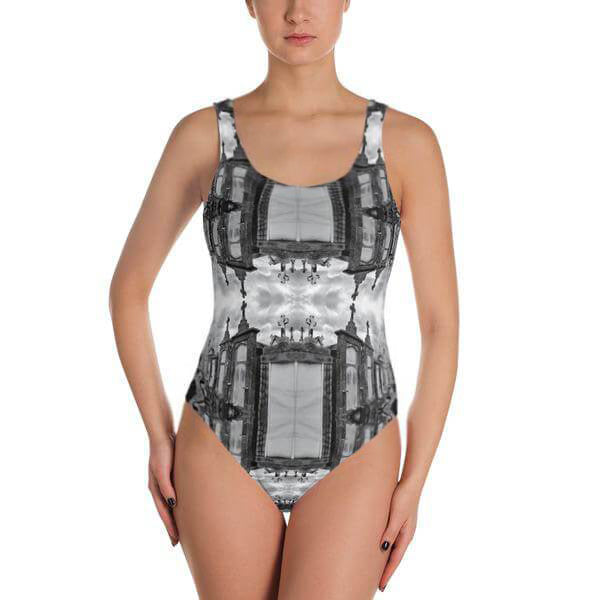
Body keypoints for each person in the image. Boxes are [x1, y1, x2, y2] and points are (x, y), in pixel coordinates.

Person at [109, 1, 458, 598]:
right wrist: (159, 435)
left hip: (358, 442)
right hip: (220, 435)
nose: (298, 12)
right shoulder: (203, 137)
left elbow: (440, 324)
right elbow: (128, 289)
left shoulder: (406, 143)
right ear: (249, 2)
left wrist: (416, 478)